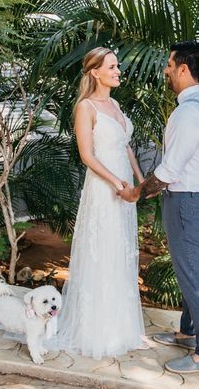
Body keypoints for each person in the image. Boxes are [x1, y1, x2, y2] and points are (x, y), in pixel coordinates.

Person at [118, 40, 199, 374]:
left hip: (186, 203)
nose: (166, 70)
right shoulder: (195, 106)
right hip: (188, 201)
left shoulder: (190, 112)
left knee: (192, 279)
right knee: (189, 273)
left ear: (184, 69)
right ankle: (187, 334)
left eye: (170, 65)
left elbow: (169, 170)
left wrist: (138, 192)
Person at [56, 46, 147, 360]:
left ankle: (125, 330)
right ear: (95, 72)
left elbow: (126, 146)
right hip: (104, 190)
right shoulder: (86, 107)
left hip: (125, 190)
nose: (118, 70)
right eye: (111, 66)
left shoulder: (115, 104)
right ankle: (99, 332)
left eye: (117, 65)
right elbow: (86, 155)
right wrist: (116, 182)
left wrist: (139, 180)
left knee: (122, 254)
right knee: (103, 253)